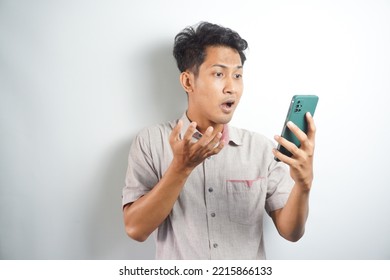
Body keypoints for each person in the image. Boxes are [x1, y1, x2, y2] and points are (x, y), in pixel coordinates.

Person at [122, 22, 316, 259]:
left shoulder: (261, 148)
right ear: (188, 82)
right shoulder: (151, 141)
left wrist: (304, 186)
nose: (231, 87)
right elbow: (135, 229)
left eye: (237, 75)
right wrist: (180, 168)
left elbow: (291, 232)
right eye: (218, 74)